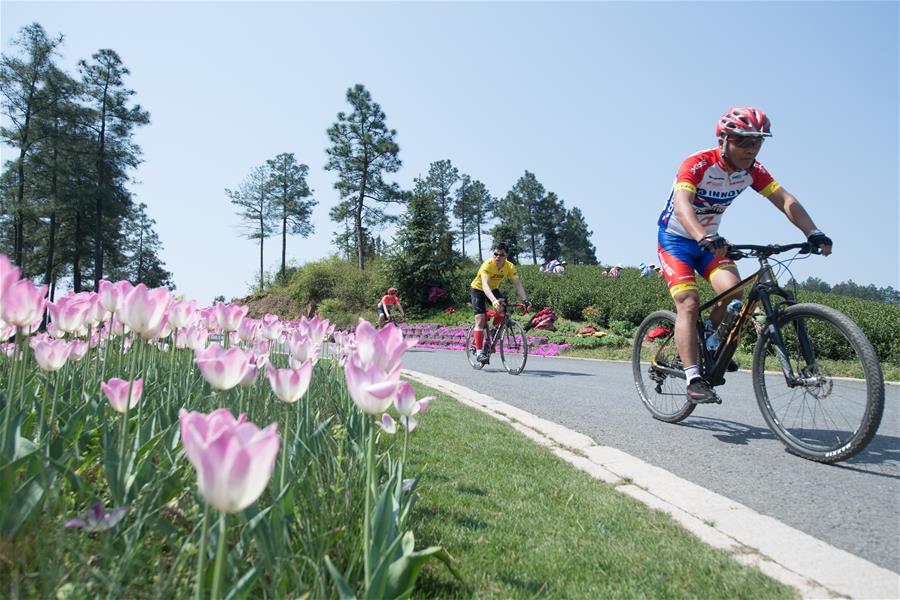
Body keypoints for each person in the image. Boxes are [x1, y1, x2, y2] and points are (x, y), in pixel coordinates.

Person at [656, 106, 832, 404]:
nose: (752, 149)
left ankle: (711, 343)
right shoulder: (698, 164)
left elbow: (784, 199)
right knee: (689, 302)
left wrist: (812, 232)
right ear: (723, 140)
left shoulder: (752, 171)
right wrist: (702, 235)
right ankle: (693, 377)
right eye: (744, 141)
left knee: (734, 296)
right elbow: (683, 204)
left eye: (758, 142)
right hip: (677, 241)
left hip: (712, 244)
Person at [470, 243, 530, 364]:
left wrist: (525, 300)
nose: (497, 257)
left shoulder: (510, 266)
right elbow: (485, 285)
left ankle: (492, 331)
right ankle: (479, 352)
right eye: (495, 254)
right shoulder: (487, 265)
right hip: (478, 289)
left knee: (503, 309)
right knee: (480, 319)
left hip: (493, 289)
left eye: (501, 254)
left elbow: (517, 284)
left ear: (506, 255)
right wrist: (493, 301)